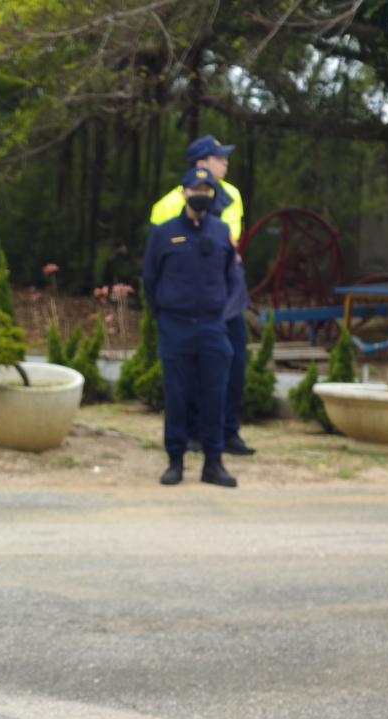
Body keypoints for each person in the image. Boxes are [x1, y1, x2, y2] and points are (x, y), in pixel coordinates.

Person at [150, 135, 256, 457]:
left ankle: (228, 431)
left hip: (224, 293)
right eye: (218, 157)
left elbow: (231, 243)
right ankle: (191, 434)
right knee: (189, 372)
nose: (225, 162)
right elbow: (155, 264)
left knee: (233, 362)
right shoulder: (167, 205)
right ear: (201, 164)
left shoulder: (233, 195)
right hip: (186, 300)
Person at [143, 167, 241, 488]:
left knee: (214, 395)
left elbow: (232, 278)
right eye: (196, 189)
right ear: (184, 192)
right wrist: (165, 314)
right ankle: (176, 461)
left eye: (207, 190)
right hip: (176, 326)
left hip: (213, 327)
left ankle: (214, 463)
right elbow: (150, 279)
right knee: (176, 395)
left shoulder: (221, 231)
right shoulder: (164, 233)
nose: (202, 194)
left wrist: (220, 313)